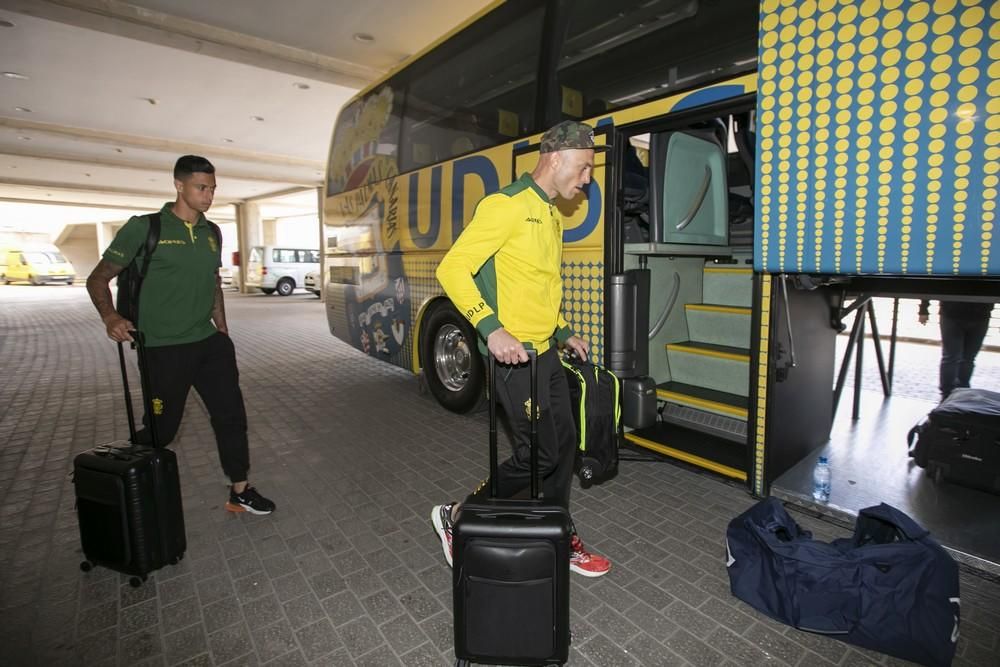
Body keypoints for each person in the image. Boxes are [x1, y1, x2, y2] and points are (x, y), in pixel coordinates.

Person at [430, 120, 611, 577]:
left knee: (564, 445)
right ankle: (458, 517)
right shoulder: (505, 206)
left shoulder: (550, 212)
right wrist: (491, 329)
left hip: (546, 353)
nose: (588, 178)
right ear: (556, 157)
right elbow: (453, 269)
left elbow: (541, 285)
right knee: (539, 456)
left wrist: (564, 329)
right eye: (585, 167)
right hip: (515, 361)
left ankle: (555, 534)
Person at [86, 155, 275, 515]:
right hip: (161, 348)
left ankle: (240, 490)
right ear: (179, 185)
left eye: (213, 188)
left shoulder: (211, 232)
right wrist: (110, 316)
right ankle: (122, 479)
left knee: (231, 417)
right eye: (201, 187)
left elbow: (213, 282)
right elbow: (97, 277)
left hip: (209, 345)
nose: (208, 195)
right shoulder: (145, 228)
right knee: (162, 430)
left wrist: (222, 330)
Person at [919, 299, 995, 399]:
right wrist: (923, 309)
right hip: (974, 313)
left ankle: (950, 394)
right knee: (963, 358)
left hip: (956, 312)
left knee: (954, 358)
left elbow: (931, 285)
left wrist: (924, 309)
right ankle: (956, 393)